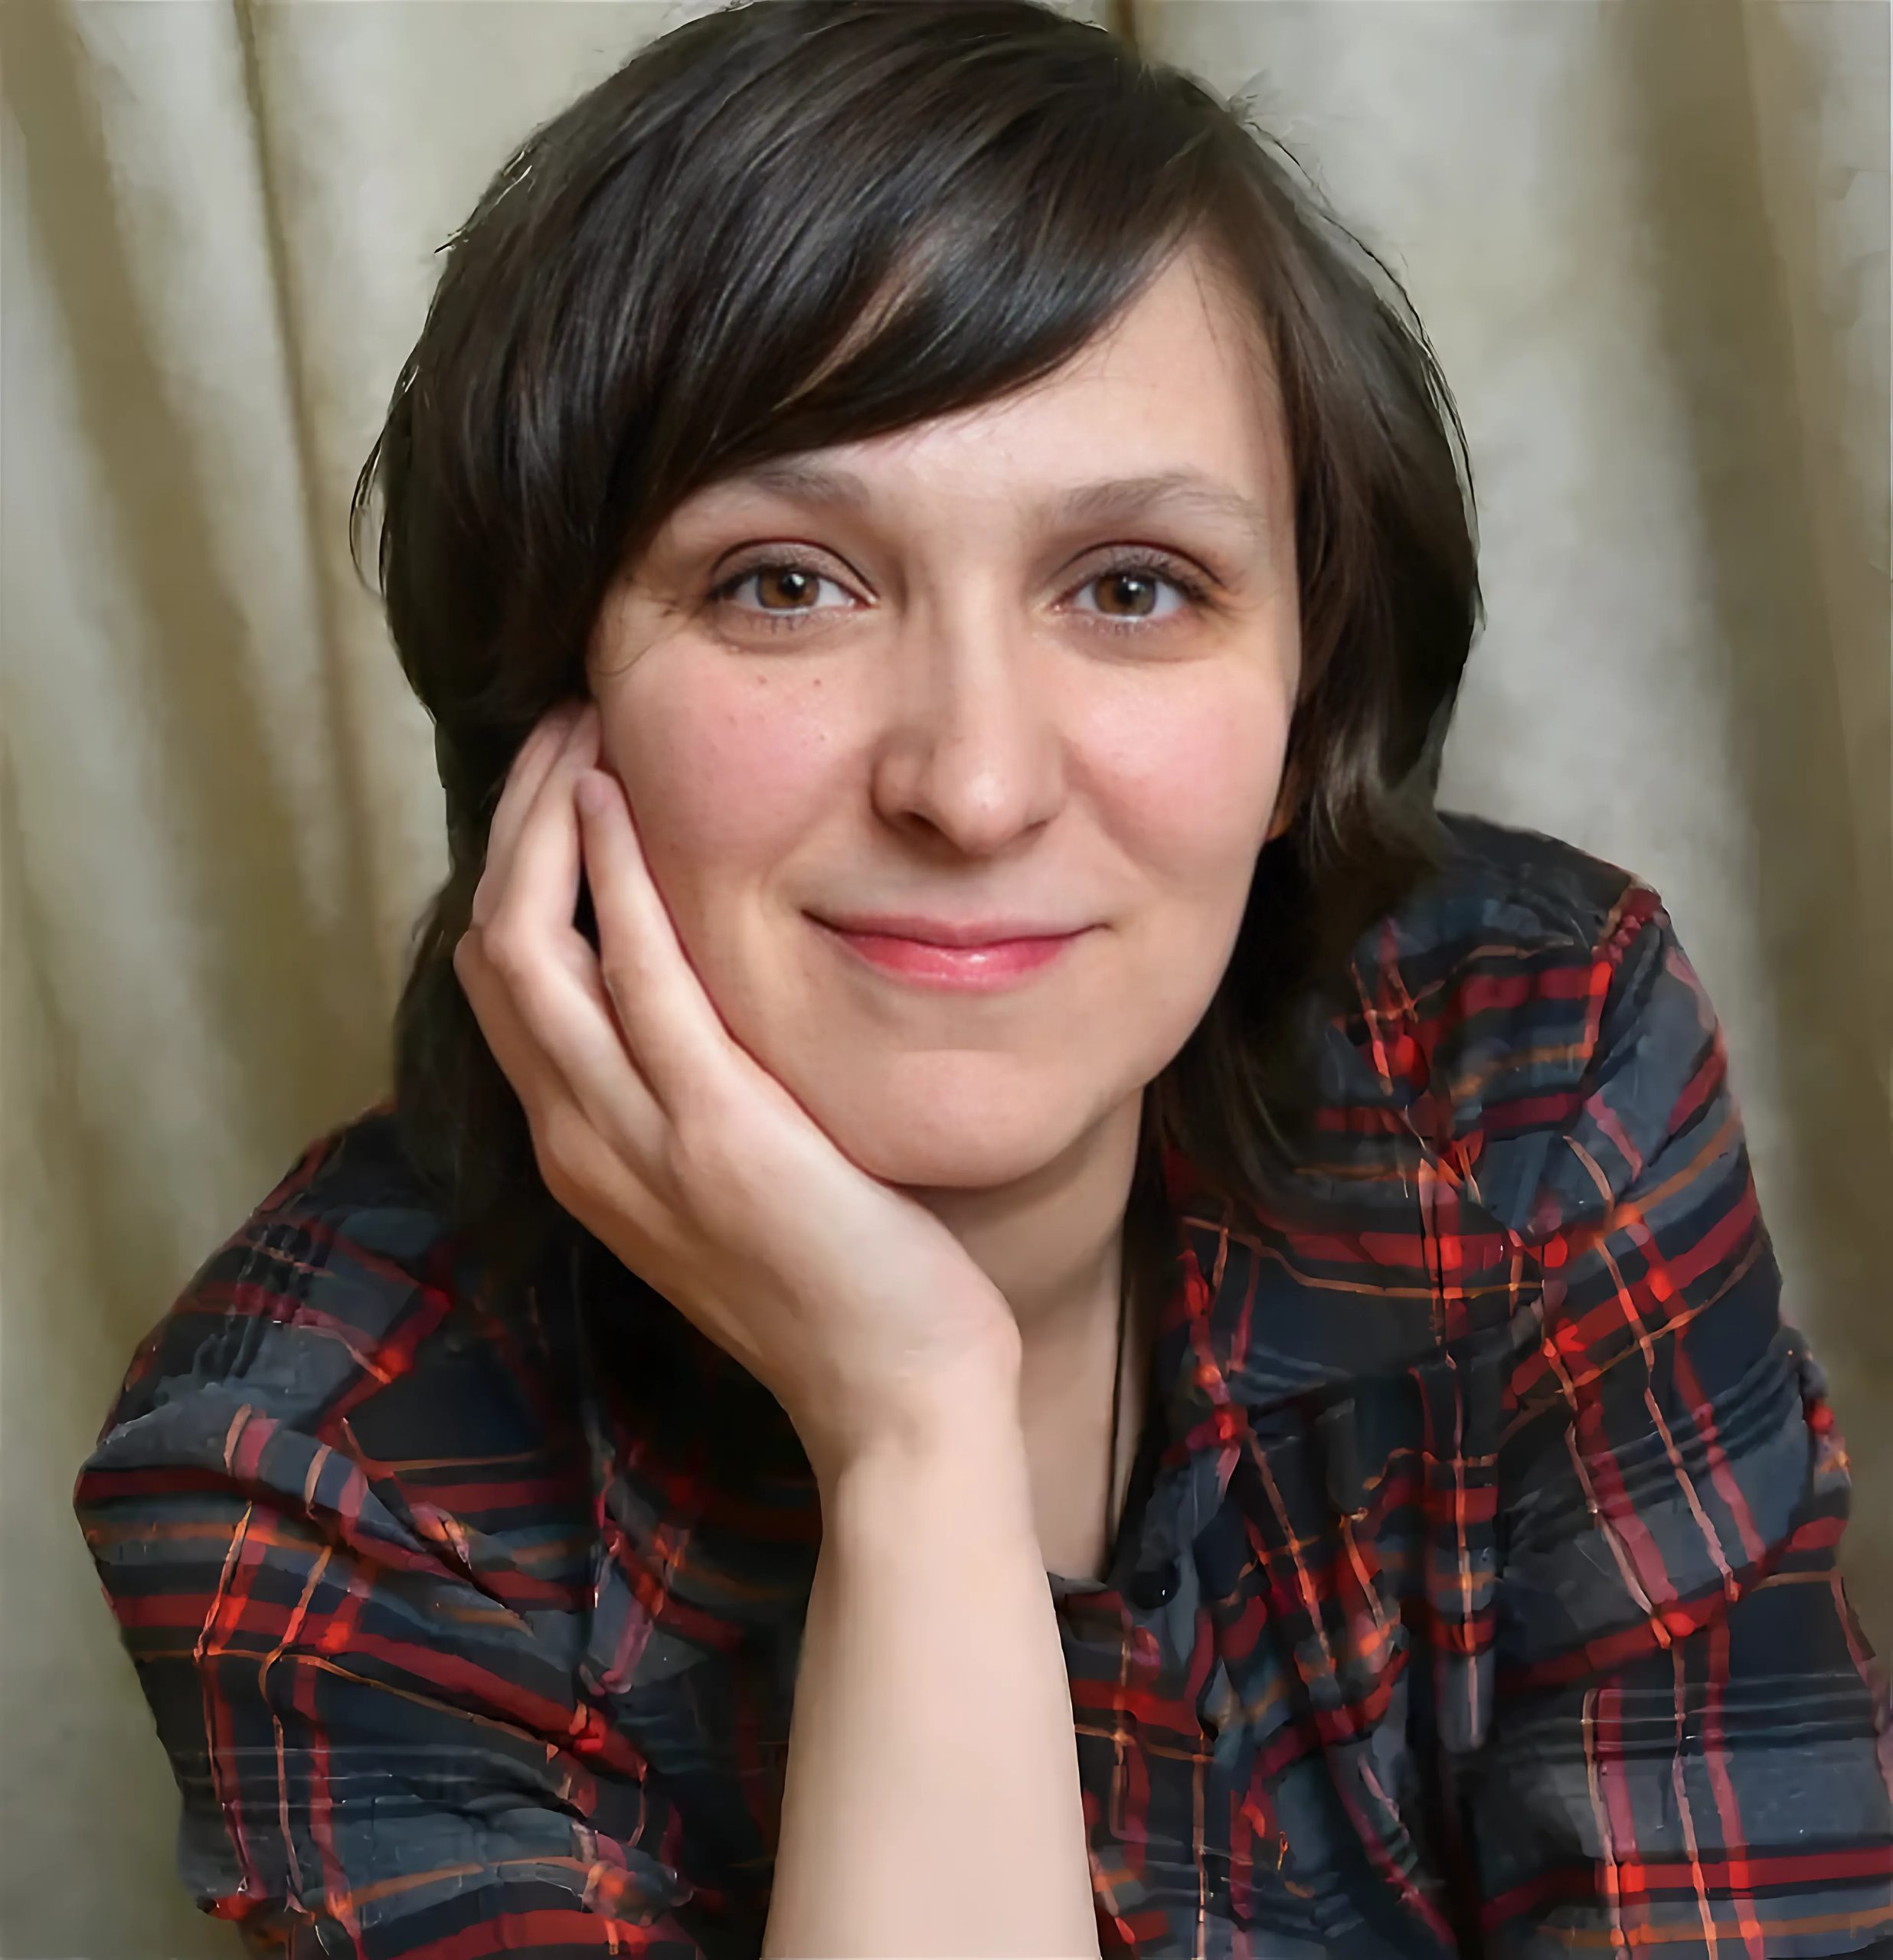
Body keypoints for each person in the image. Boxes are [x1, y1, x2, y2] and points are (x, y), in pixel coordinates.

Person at [75, 2, 1893, 1954]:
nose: (973, 781)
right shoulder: (318, 1458)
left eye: (1132, 585)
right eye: (786, 581)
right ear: (550, 707)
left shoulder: (1525, 1068)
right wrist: (916, 1430)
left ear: (1307, 715)